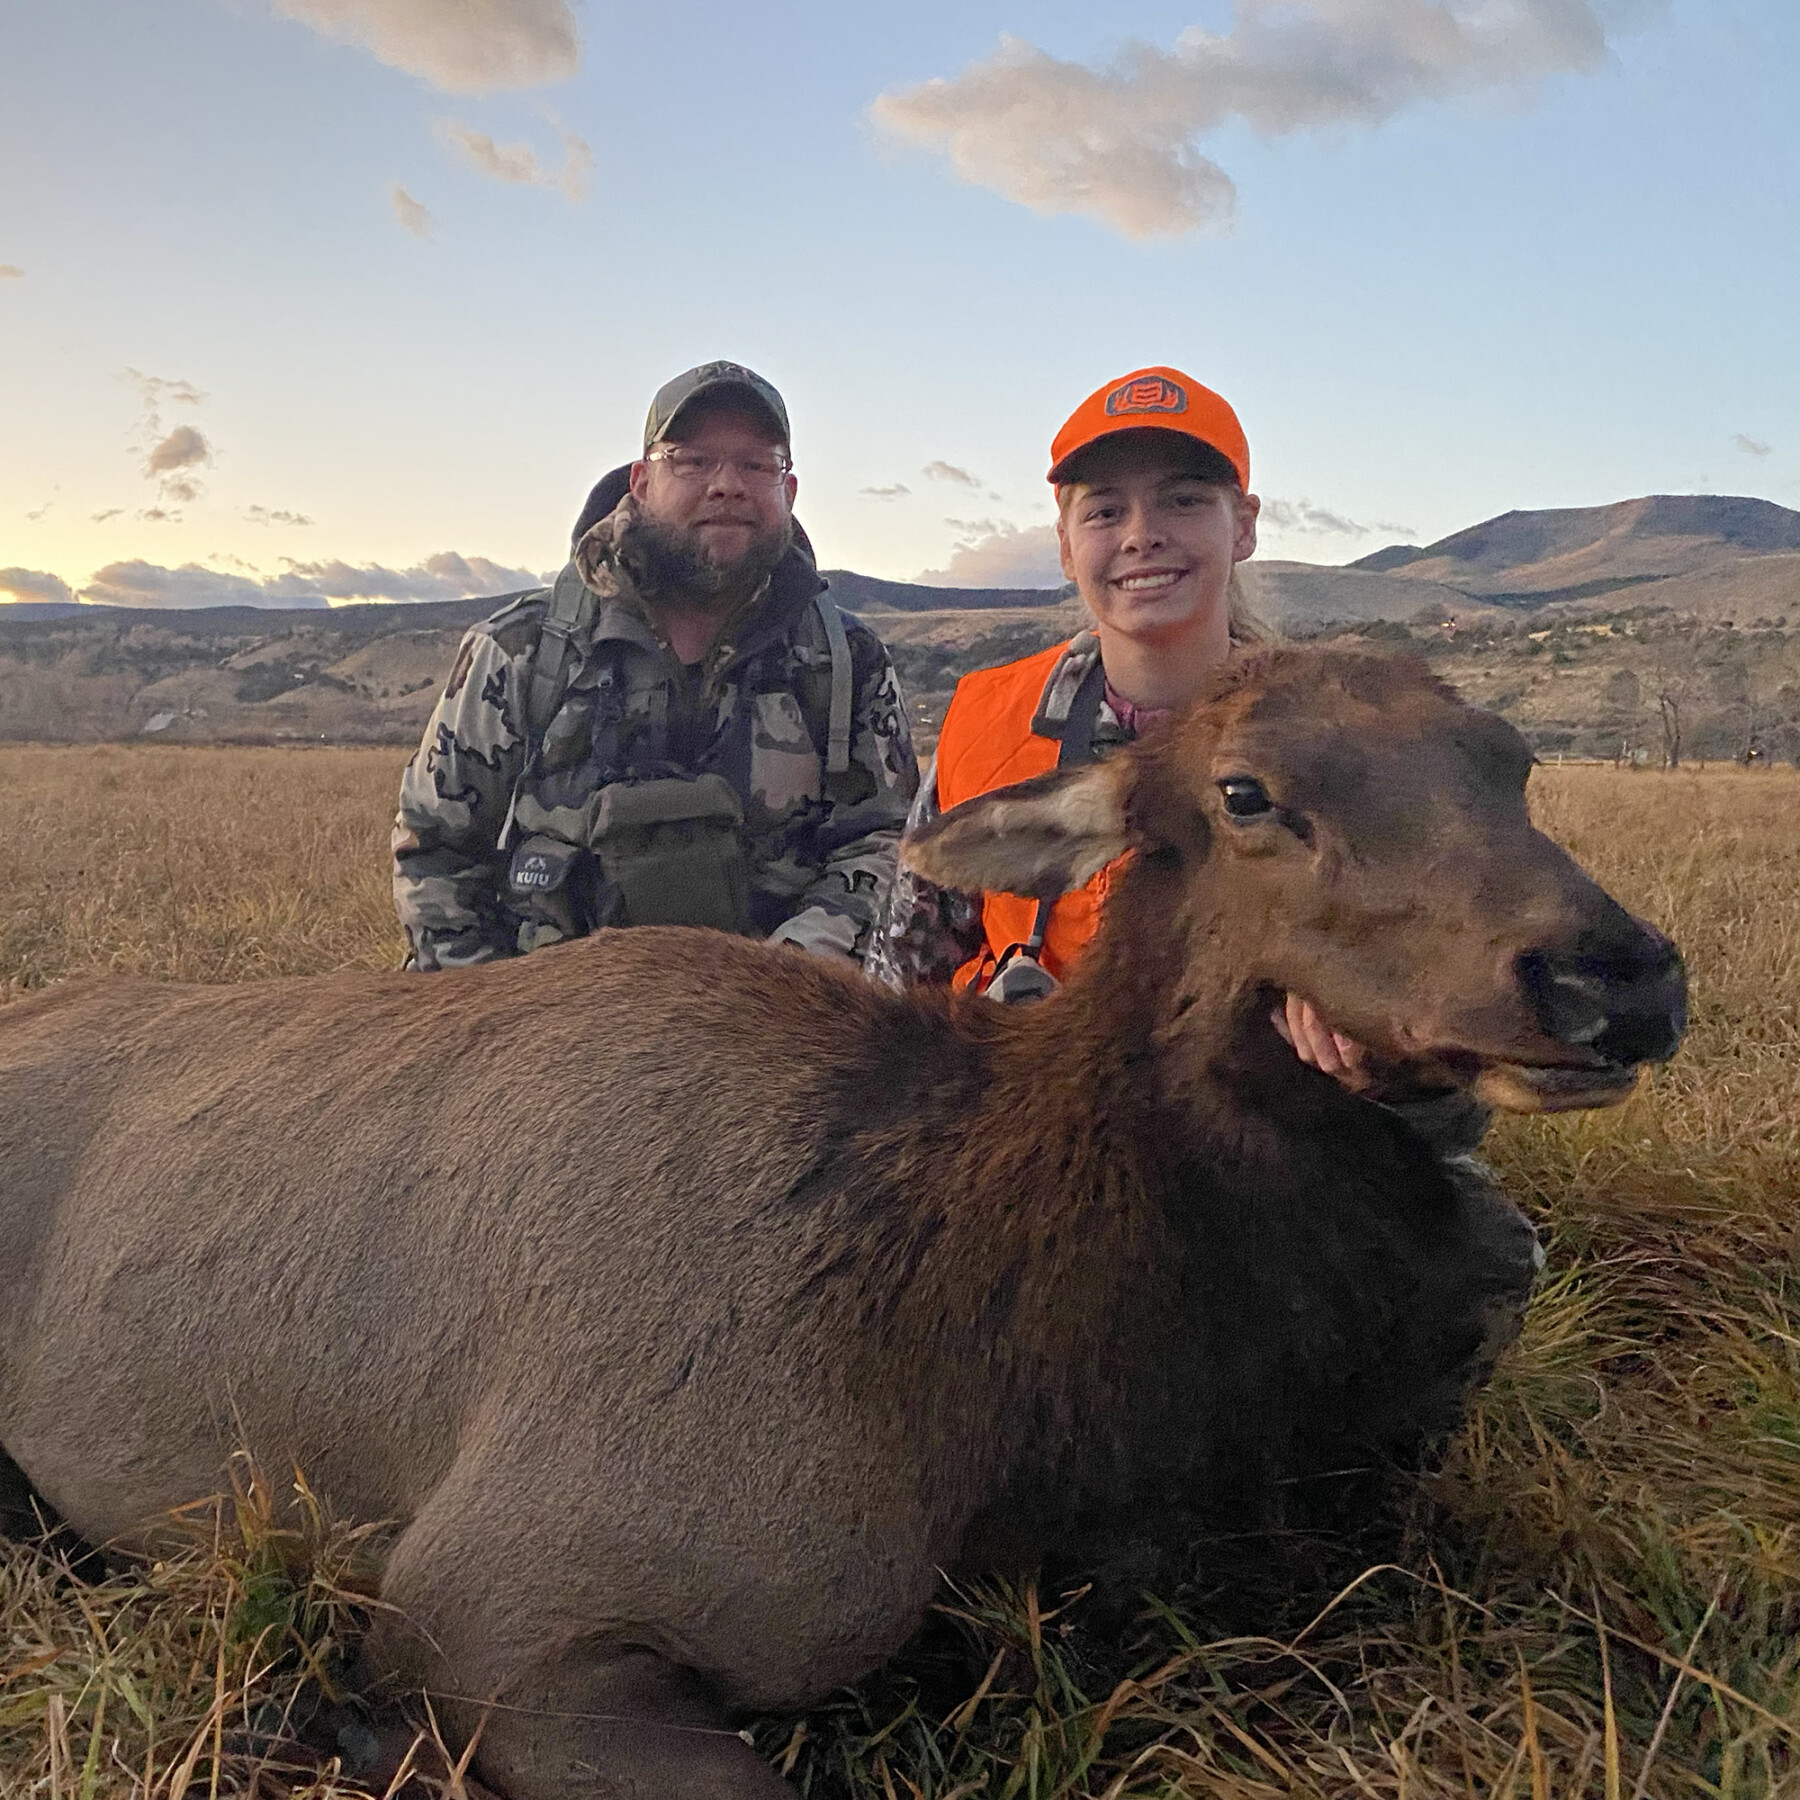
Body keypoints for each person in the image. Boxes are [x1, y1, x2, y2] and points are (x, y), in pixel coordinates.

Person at [869, 365, 1479, 1124]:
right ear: (1064, 546)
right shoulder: (986, 720)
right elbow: (900, 981)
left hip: (1271, 1138)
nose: (1140, 534)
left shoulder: (1349, 747)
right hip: (1022, 1130)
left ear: (1245, 526)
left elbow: (1458, 1022)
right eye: (1103, 512)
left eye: (1184, 500)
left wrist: (1381, 1057)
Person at [394, 361, 918, 968]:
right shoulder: (522, 649)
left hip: (773, 1030)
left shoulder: (847, 661)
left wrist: (787, 976)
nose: (728, 484)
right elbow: (433, 848)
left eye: (757, 464)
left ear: (789, 490)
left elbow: (886, 842)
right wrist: (501, 1020)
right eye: (692, 461)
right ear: (641, 483)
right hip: (541, 1029)